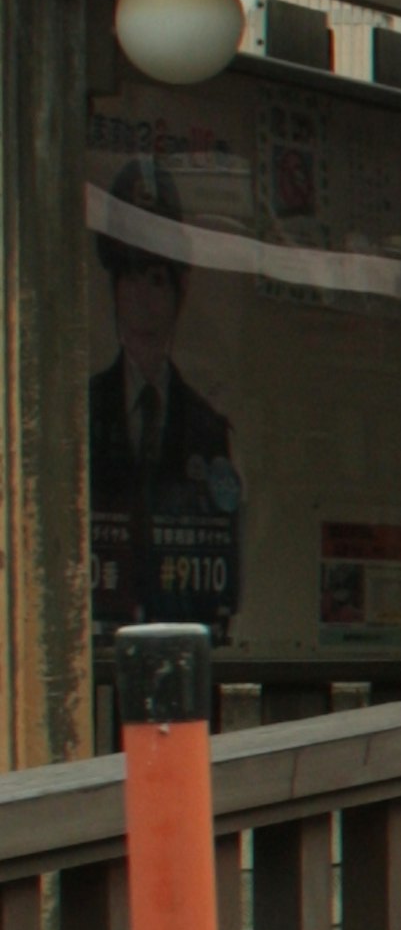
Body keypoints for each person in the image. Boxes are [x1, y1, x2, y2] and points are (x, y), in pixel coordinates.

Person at [87, 180, 242, 644]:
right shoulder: (84, 408)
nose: (141, 296)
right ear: (114, 285)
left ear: (180, 289)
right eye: (130, 275)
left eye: (156, 277)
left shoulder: (207, 427)